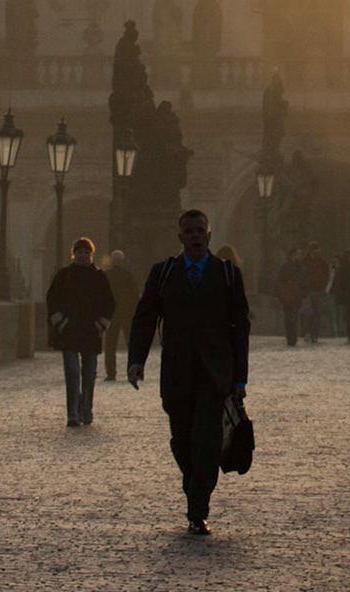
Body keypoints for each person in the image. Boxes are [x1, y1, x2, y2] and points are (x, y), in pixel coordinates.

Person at [127, 210, 251, 536]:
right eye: (189, 231)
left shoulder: (227, 274)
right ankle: (194, 483)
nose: (195, 236)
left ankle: (198, 510)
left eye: (200, 231)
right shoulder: (163, 273)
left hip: (215, 374)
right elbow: (144, 318)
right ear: (179, 236)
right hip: (177, 373)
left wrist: (240, 379)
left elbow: (241, 329)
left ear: (209, 236)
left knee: (207, 441)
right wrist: (136, 360)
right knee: (182, 441)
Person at [46, 237, 115, 427]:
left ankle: (86, 408)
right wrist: (61, 322)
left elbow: (109, 303)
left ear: (91, 255)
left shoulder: (99, 276)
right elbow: (52, 299)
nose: (83, 256)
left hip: (90, 332)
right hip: (69, 331)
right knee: (73, 372)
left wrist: (100, 324)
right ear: (74, 254)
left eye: (86, 252)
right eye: (80, 252)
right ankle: (73, 412)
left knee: (89, 374)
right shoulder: (64, 275)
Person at [101, 248, 137, 381]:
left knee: (110, 345)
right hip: (127, 314)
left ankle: (111, 372)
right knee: (131, 345)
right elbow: (134, 295)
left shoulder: (107, 275)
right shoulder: (128, 275)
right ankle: (132, 370)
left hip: (112, 315)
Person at [299, 243, 332, 344]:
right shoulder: (305, 262)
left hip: (318, 290)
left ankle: (314, 334)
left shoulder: (322, 263)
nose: (317, 252)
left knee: (317, 314)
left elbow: (327, 275)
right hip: (308, 290)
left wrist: (323, 287)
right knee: (308, 313)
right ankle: (307, 332)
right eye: (315, 250)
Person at [273, 250, 306, 346]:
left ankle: (291, 338)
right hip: (290, 296)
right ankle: (291, 338)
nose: (300, 256)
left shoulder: (294, 267)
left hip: (293, 296)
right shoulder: (292, 267)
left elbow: (303, 282)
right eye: (298, 254)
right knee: (291, 317)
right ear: (293, 255)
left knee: (291, 317)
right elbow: (279, 281)